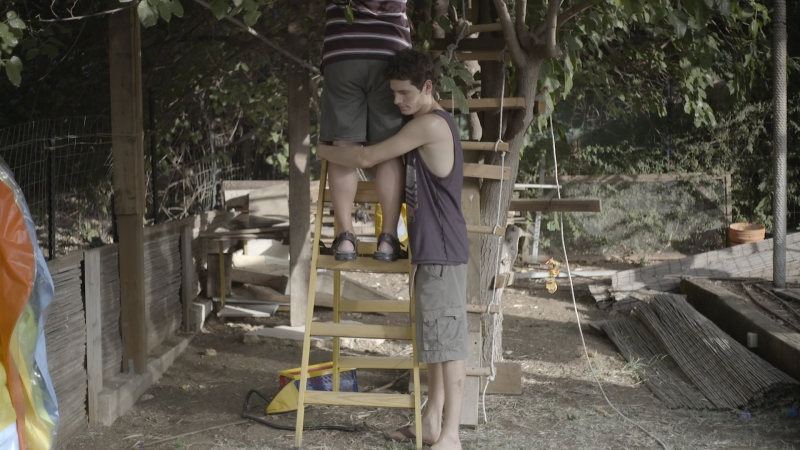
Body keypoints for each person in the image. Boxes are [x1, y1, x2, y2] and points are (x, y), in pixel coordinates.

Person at [317, 48, 468, 450]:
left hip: (443, 251)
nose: (397, 101)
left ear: (428, 87)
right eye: (394, 93)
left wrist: (323, 150)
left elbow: (367, 155)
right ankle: (431, 424)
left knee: (449, 346)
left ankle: (451, 436)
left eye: (404, 93)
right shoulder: (423, 122)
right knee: (434, 341)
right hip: (430, 250)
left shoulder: (431, 124)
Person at [320, 0, 411, 262]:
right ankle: (388, 240)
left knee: (343, 147)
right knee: (390, 149)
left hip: (343, 49)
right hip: (390, 51)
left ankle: (345, 238)